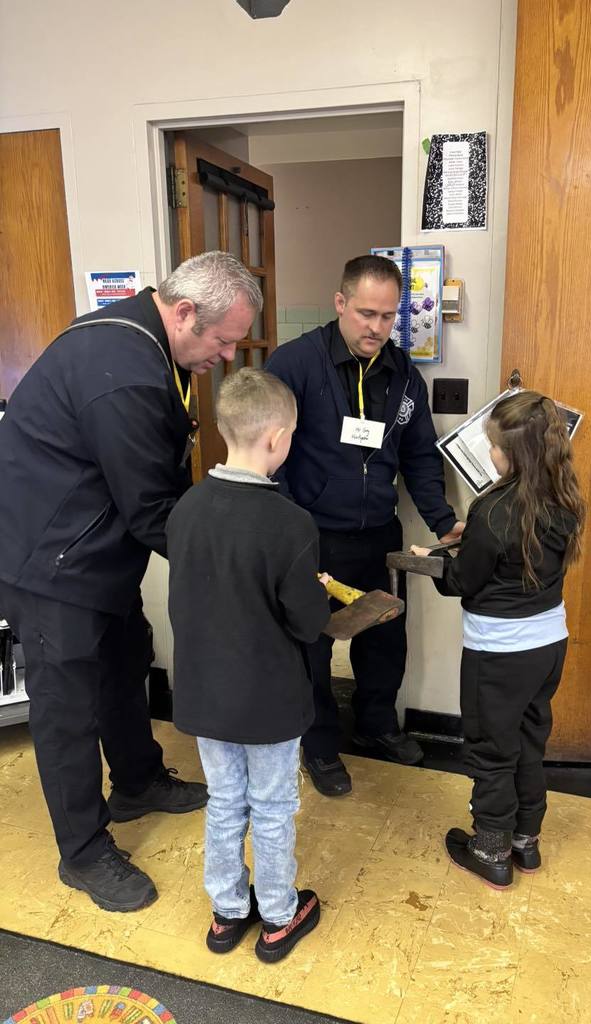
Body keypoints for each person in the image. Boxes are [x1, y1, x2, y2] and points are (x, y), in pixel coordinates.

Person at [0, 251, 261, 913]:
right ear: (184, 312)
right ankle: (83, 852)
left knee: (124, 660)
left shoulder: (147, 345)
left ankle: (138, 781)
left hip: (94, 548)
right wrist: (236, 566)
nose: (227, 357)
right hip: (52, 562)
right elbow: (152, 510)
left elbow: (153, 488)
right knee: (66, 708)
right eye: (223, 340)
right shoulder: (126, 373)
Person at [265, 254, 464, 797]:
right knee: (311, 645)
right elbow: (269, 453)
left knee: (384, 637)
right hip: (312, 538)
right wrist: (287, 529)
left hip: (378, 533)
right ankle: (320, 745)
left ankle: (376, 725)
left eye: (387, 316)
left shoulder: (403, 375)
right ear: (340, 303)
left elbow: (420, 456)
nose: (376, 327)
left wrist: (443, 522)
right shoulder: (294, 364)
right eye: (366, 313)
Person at [167, 368, 330, 963]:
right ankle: (280, 917)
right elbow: (306, 623)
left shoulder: (185, 509)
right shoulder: (290, 522)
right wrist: (314, 591)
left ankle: (227, 912)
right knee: (273, 807)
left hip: (205, 695)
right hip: (269, 702)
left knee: (225, 801)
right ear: (277, 438)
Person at [411, 391, 586, 888]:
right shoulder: (565, 497)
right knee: (529, 739)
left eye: (494, 445)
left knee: (491, 748)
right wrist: (473, 540)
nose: (489, 452)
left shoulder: (491, 510)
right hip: (548, 645)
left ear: (513, 453)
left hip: (498, 653)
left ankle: (490, 850)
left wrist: (435, 559)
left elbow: (463, 581)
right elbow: (511, 555)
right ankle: (525, 841)